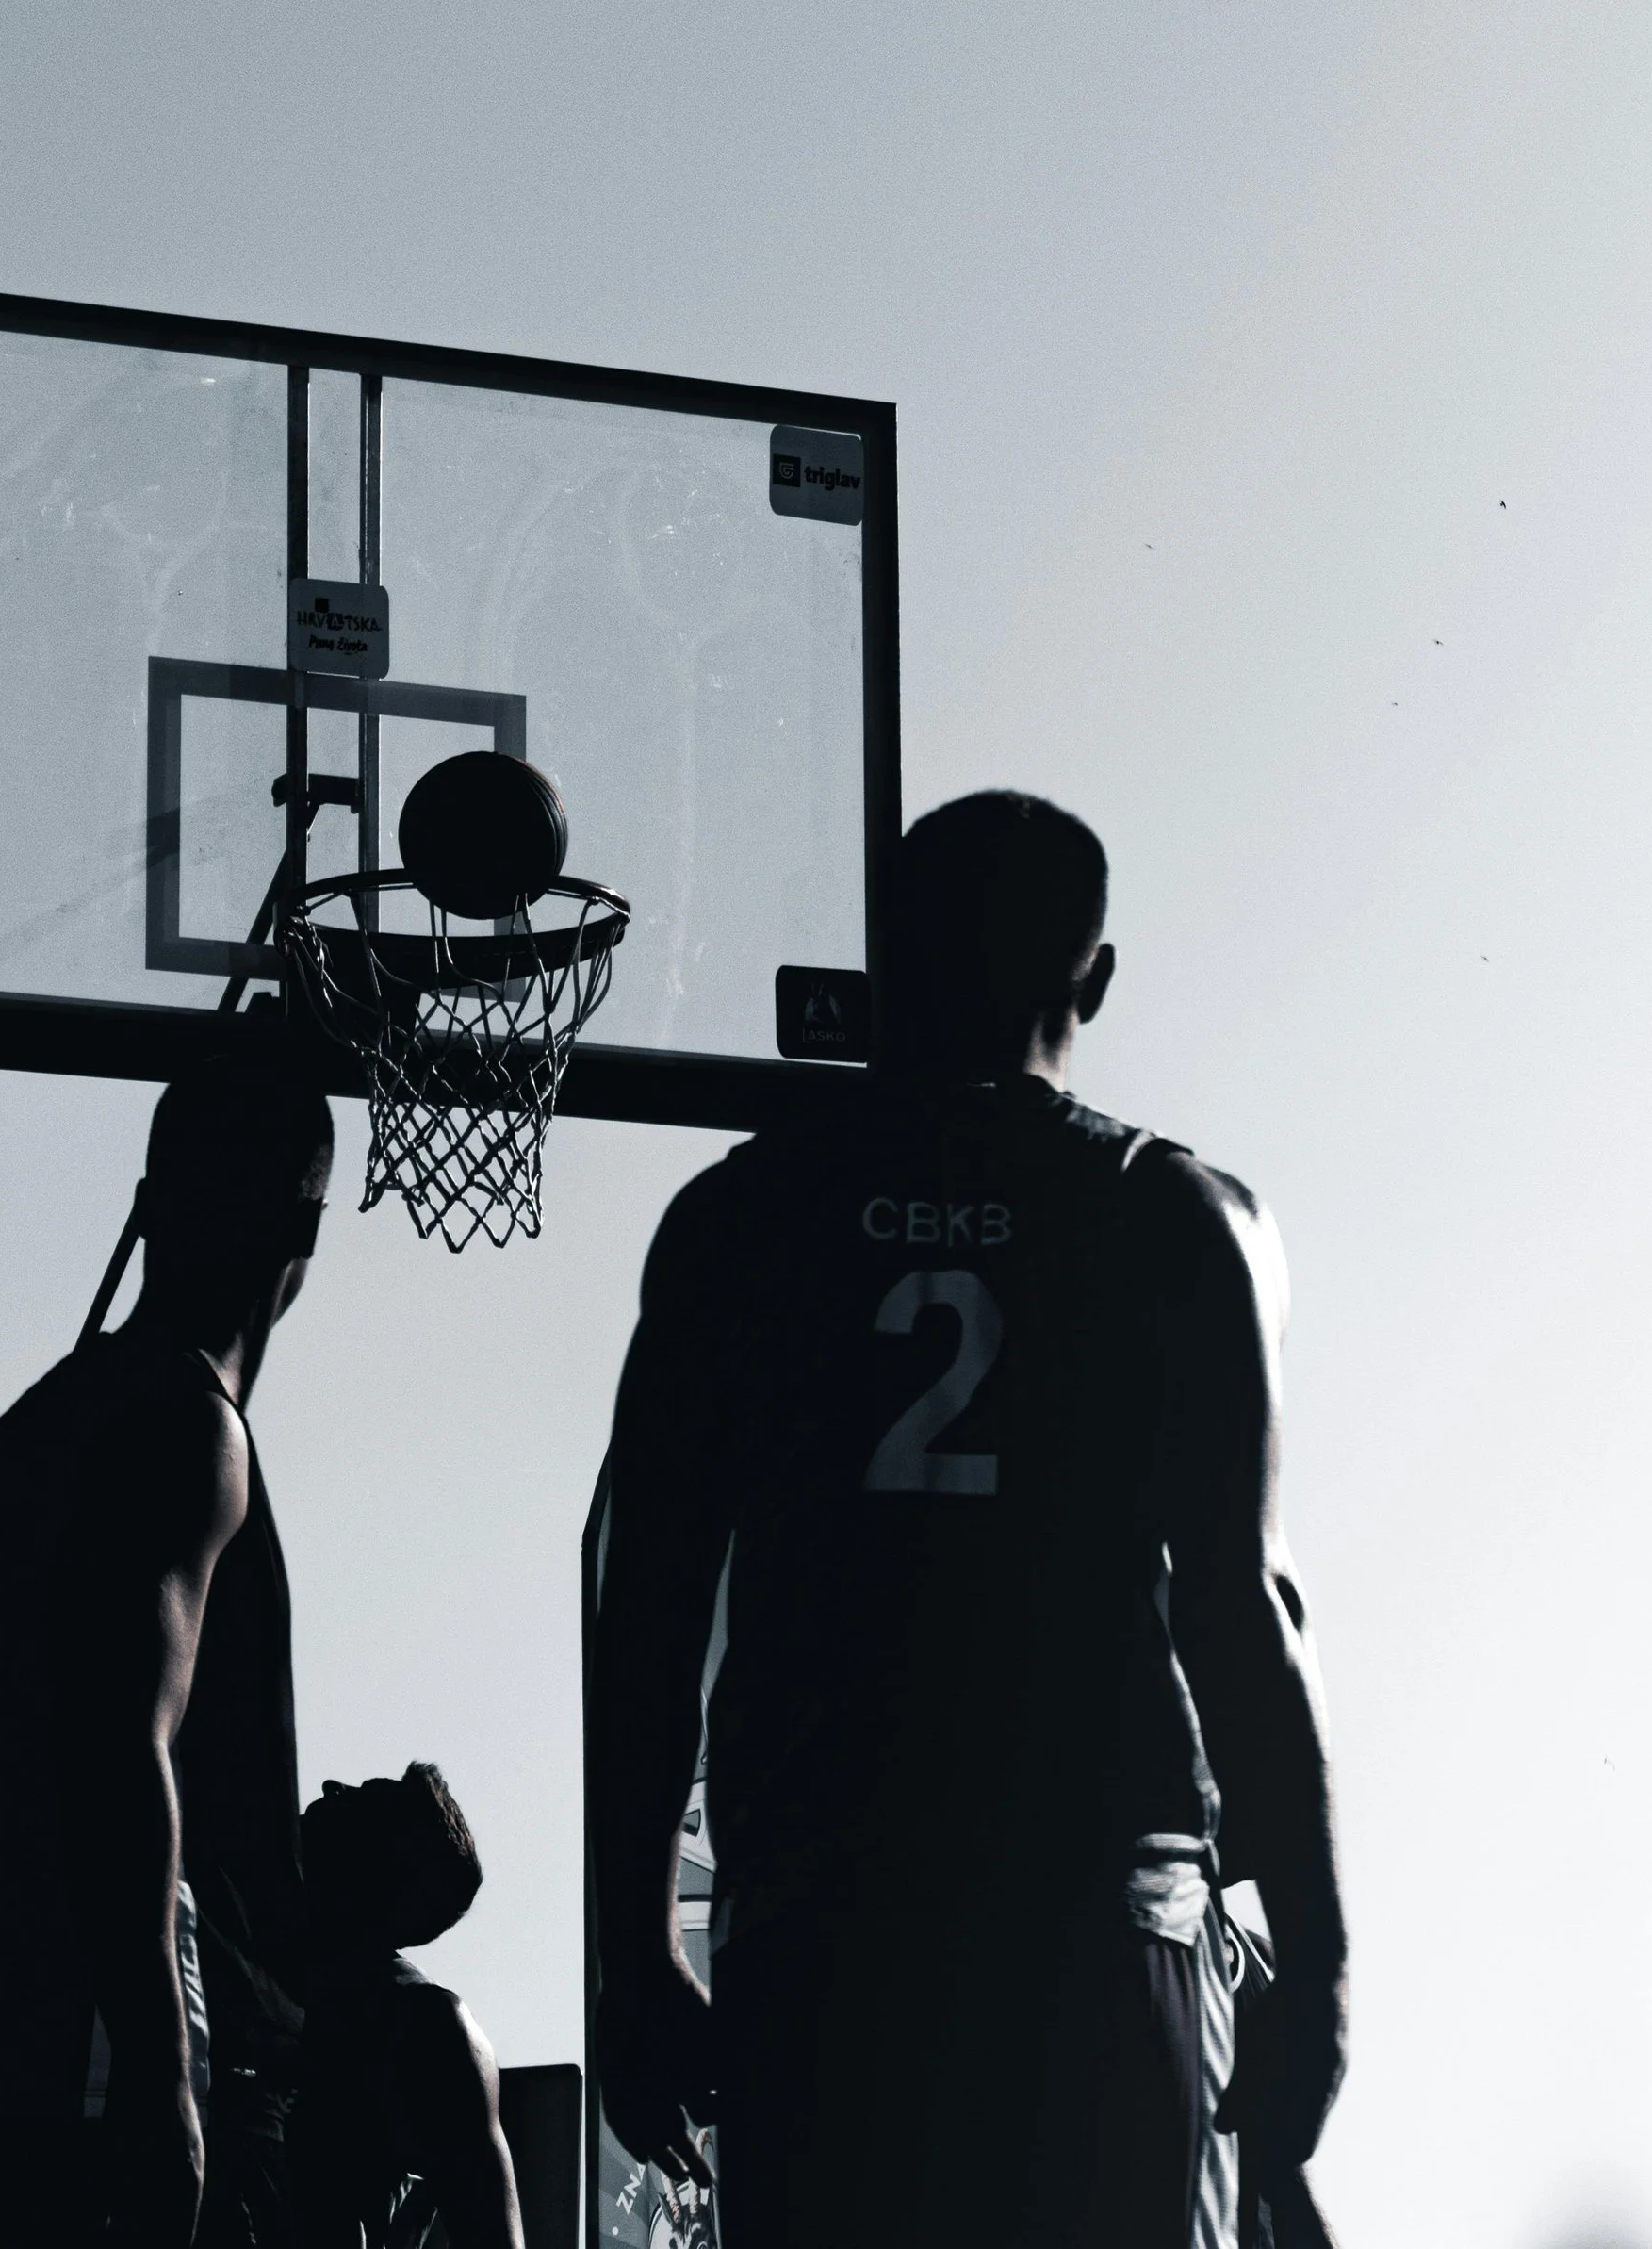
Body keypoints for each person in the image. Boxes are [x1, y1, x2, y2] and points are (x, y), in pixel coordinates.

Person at [587, 792, 1347, 2249]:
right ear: (1096, 978)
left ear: (889, 955)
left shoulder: (739, 1216)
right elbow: (1248, 1615)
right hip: (1097, 1917)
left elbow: (652, 1609)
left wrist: (637, 1950)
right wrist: (1312, 1966)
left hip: (821, 1925)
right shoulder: (1181, 1218)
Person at [0, 1060, 335, 2249]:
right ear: (306, 1225)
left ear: (149, 1201)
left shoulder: (28, 1435)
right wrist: (161, 2074)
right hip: (113, 2076)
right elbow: (117, 1736)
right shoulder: (186, 1426)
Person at [294, 1765, 526, 2249]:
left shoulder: (429, 2027)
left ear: (378, 1866)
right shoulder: (217, 1941)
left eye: (360, 1801)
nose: (331, 1788)